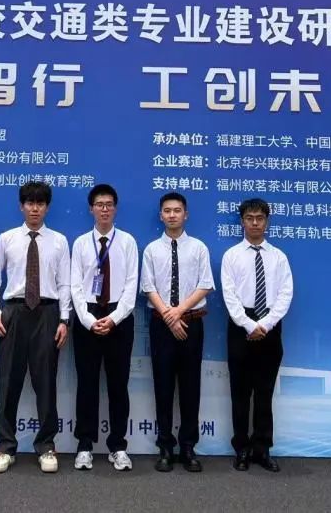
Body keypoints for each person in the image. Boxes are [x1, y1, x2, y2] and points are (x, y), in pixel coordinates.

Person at [0, 181, 71, 473]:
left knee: (45, 382)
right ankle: (5, 447)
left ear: (47, 207)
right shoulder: (7, 239)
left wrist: (64, 319)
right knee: (9, 381)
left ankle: (46, 446)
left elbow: (65, 283)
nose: (35, 208)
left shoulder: (59, 241)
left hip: (47, 313)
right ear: (21, 206)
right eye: (30, 203)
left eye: (40, 203)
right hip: (14, 313)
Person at [140, 192, 213, 472]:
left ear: (186, 214)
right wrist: (169, 317)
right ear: (161, 215)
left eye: (177, 210)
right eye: (167, 211)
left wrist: (179, 311)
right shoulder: (151, 250)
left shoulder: (198, 248)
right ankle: (165, 448)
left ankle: (188, 447)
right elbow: (148, 287)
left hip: (191, 323)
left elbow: (205, 284)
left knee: (190, 387)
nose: (172, 215)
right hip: (161, 325)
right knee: (163, 386)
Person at [220, 198, 293, 472]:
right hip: (241, 327)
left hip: (270, 327)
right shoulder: (231, 256)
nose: (254, 223)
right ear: (242, 221)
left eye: (259, 218)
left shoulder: (278, 257)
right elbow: (229, 295)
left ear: (267, 221)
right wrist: (249, 325)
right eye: (249, 218)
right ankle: (241, 449)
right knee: (240, 394)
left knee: (264, 393)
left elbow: (285, 294)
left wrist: (266, 324)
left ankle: (262, 449)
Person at [69, 184, 139, 472]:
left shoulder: (128, 242)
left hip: (118, 317)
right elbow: (74, 286)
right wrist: (88, 320)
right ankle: (85, 445)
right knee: (86, 384)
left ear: (116, 208)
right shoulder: (80, 243)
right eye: (99, 204)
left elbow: (131, 286)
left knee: (118, 385)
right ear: (91, 209)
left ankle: (118, 446)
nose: (105, 209)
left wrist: (114, 318)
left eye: (109, 204)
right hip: (87, 316)